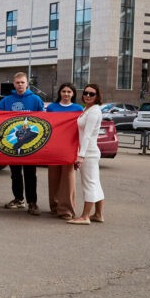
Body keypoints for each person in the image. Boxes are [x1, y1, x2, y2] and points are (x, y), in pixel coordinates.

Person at [0, 72, 45, 215]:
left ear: (27, 83)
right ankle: (18, 199)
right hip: (13, 143)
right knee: (15, 173)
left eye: (22, 82)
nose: (20, 85)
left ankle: (32, 202)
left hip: (30, 143)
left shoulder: (35, 100)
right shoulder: (7, 100)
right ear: (14, 84)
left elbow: (44, 119)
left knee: (30, 173)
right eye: (17, 82)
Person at [45, 83, 84, 220]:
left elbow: (81, 130)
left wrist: (80, 151)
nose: (66, 94)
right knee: (53, 178)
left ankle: (66, 210)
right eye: (63, 91)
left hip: (70, 147)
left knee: (68, 179)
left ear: (73, 94)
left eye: (69, 92)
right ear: (59, 93)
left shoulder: (78, 109)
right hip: (54, 147)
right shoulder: (51, 108)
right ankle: (55, 207)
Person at [69, 84, 106, 225]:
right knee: (95, 182)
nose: (88, 96)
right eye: (86, 93)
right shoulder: (88, 109)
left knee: (89, 184)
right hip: (90, 151)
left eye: (92, 94)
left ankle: (85, 216)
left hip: (88, 152)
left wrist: (81, 155)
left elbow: (87, 135)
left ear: (97, 96)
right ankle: (98, 214)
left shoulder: (94, 111)